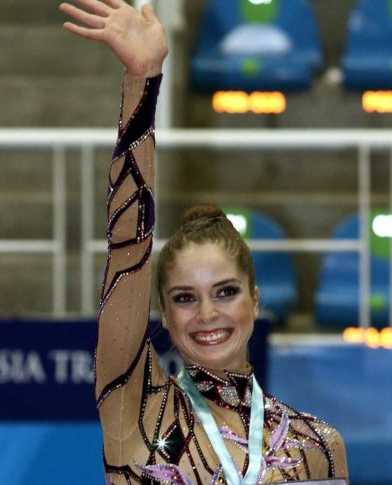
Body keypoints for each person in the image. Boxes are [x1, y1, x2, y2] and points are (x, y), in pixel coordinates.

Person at [59, 1, 348, 483]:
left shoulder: (315, 445)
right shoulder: (137, 410)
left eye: (225, 291)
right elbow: (128, 249)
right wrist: (143, 81)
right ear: (164, 315)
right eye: (184, 298)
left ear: (255, 301)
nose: (207, 314)